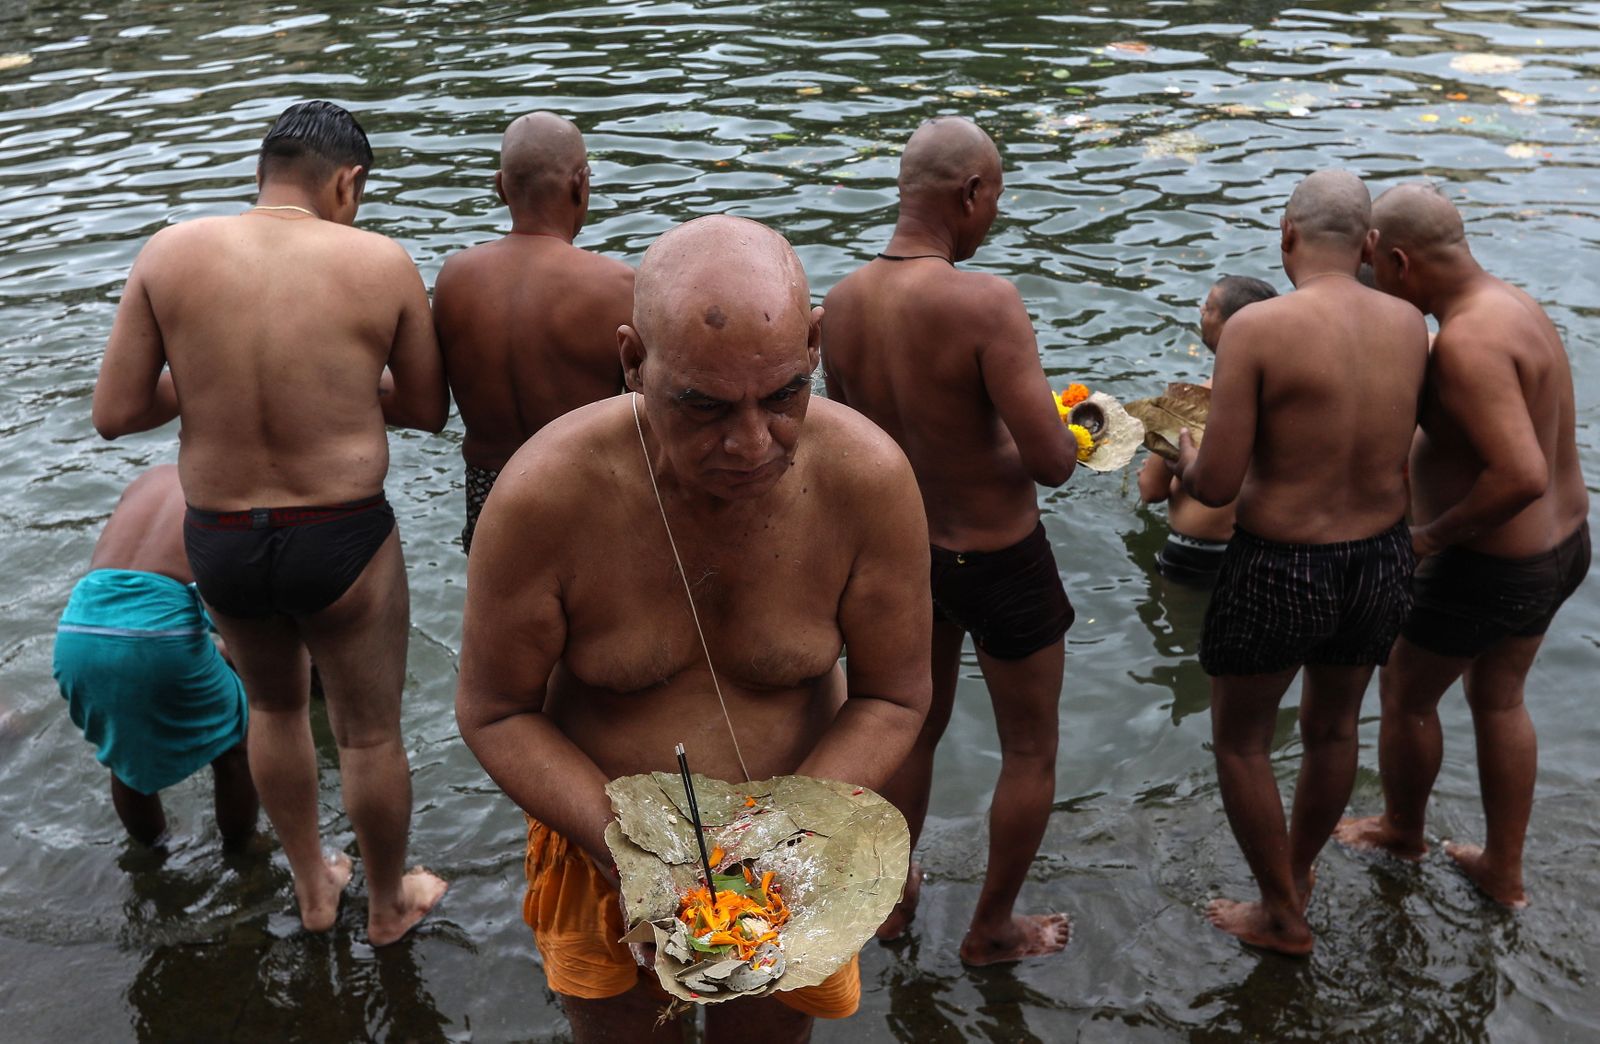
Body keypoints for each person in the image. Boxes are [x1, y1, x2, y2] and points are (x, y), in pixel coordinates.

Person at [456, 214, 931, 1043]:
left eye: (784, 396)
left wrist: (786, 836)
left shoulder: (870, 482)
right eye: (702, 407)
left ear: (815, 345)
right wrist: (629, 850)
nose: (750, 444)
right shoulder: (545, 497)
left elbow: (894, 695)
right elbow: (495, 711)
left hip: (793, 859)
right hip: (600, 849)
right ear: (634, 361)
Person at [91, 100, 449, 944]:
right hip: (343, 532)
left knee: (276, 713)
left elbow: (115, 411)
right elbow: (429, 409)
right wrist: (333, 391)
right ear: (346, 182)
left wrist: (212, 386)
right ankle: (390, 905)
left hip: (221, 538)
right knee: (367, 735)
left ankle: (315, 888)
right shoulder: (379, 260)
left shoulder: (169, 252)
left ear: (265, 171)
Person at [821, 115, 1076, 965]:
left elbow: (854, 447)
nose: (993, 214)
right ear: (971, 193)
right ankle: (993, 929)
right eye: (994, 196)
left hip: (905, 558)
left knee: (908, 732)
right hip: (1000, 555)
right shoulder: (984, 301)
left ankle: (893, 903)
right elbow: (1051, 462)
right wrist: (1078, 425)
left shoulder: (843, 305)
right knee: (1031, 747)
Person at [1169, 170, 1429, 955]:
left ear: (1286, 236)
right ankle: (1300, 872)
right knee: (1333, 728)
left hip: (1283, 563)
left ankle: (1280, 910)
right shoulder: (1411, 322)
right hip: (1381, 557)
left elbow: (1216, 483)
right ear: (1372, 246)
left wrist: (1182, 457)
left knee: (1242, 741)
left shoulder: (1259, 330)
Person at [1334, 183, 1589, 908]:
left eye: (1373, 269)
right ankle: (1501, 870)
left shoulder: (1468, 344)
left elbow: (1519, 473)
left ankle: (1401, 831)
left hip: (1490, 565)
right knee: (1499, 699)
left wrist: (1427, 539)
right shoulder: (1511, 307)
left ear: (1400, 261)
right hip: (1561, 550)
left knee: (1406, 694)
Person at [433, 111, 635, 552]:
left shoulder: (453, 278)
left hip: (491, 490)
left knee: (501, 612)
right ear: (580, 184)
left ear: (500, 186)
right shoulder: (617, 285)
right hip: (583, 488)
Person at [53, 464, 257, 849]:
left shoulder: (149, 479)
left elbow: (139, 592)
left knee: (125, 761)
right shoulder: (233, 485)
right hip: (158, 636)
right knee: (236, 748)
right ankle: (242, 853)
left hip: (78, 629)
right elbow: (229, 603)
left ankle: (153, 854)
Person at [1138, 276, 1277, 587]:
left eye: (1209, 308)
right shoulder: (1290, 396)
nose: (1201, 311)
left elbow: (1151, 490)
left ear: (1233, 327)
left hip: (1198, 552)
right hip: (1270, 552)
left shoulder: (1188, 401)